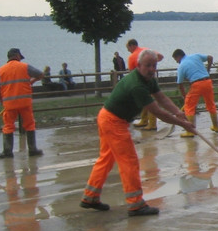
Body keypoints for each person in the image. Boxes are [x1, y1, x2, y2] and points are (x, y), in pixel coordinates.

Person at [80, 50, 195, 216]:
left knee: (106, 159)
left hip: (109, 118)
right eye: (148, 65)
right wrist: (183, 124)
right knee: (129, 161)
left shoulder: (148, 79)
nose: (151, 69)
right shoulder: (137, 86)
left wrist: (178, 112)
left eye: (154, 65)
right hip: (113, 122)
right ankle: (136, 204)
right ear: (139, 65)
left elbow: (161, 98)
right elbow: (157, 111)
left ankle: (90, 196)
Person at [0, 48, 45, 158]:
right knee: (29, 125)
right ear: (17, 55)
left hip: (9, 103)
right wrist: (32, 81)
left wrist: (1, 100)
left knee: (8, 126)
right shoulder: (25, 67)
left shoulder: (1, 70)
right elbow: (41, 74)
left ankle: (7, 152)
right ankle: (33, 150)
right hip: (24, 102)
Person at [172, 48, 218, 136]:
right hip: (207, 82)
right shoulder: (196, 56)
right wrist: (207, 70)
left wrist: (185, 97)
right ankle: (216, 127)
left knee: (189, 107)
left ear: (178, 56)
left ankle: (190, 131)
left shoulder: (181, 66)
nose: (176, 62)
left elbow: (180, 84)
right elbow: (210, 57)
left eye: (176, 59)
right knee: (211, 105)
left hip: (197, 84)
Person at [126, 39, 164, 130]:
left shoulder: (132, 57)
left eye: (128, 48)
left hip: (141, 81)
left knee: (148, 102)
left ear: (132, 46)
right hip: (150, 78)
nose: (128, 50)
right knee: (146, 101)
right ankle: (144, 120)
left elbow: (131, 73)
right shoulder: (146, 50)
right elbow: (161, 56)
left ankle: (152, 124)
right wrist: (153, 64)